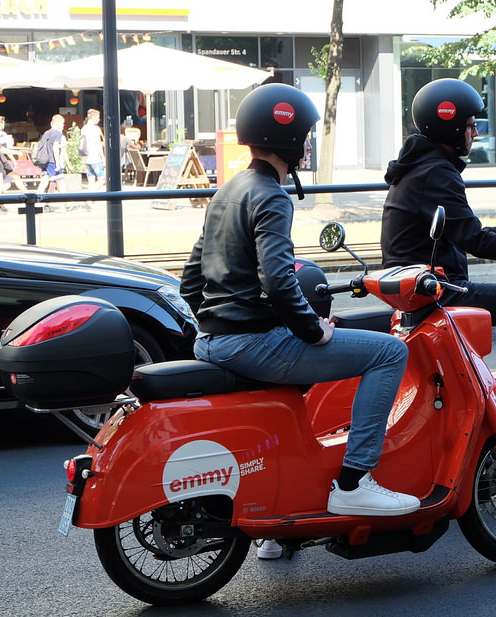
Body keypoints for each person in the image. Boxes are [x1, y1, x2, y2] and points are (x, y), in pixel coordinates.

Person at [179, 84, 419, 535]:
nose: (307, 144)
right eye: (305, 135)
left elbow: (191, 281)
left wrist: (217, 323)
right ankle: (354, 481)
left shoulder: (226, 191)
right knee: (388, 353)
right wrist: (313, 330)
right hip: (250, 343)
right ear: (286, 137)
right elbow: (277, 279)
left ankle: (281, 534)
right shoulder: (270, 195)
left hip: (213, 341)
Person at [380, 78, 496, 386]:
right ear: (451, 129)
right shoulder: (438, 173)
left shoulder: (421, 166)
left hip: (420, 285)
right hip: (438, 289)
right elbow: (476, 242)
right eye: (470, 125)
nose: (475, 133)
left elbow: (458, 231)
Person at [0, 114, 29, 204]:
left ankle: (27, 195)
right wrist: (17, 153)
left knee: (15, 176)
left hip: (1, 160)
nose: (1, 124)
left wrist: (12, 159)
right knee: (0, 183)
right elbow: (2, 149)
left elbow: (3, 148)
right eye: (0, 122)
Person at [80, 108, 106, 210]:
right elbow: (98, 144)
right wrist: (103, 157)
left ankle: (91, 202)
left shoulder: (84, 129)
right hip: (94, 157)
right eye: (98, 117)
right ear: (94, 117)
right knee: (101, 178)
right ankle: (89, 197)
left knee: (91, 179)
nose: (99, 120)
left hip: (85, 157)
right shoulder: (95, 129)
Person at [38, 114, 69, 196]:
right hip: (53, 161)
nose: (63, 125)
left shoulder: (46, 133)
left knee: (44, 181)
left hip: (44, 160)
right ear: (58, 123)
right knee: (60, 181)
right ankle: (68, 203)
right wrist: (58, 163)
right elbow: (55, 148)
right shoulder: (57, 134)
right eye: (62, 123)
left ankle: (36, 200)